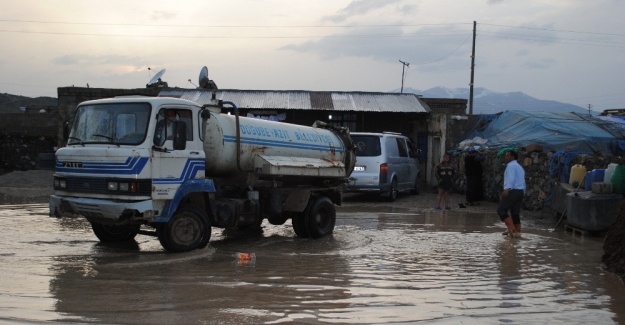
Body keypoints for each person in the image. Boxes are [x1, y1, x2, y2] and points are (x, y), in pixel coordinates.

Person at [497, 150, 526, 238]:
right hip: (520, 191)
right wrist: (523, 191)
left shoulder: (510, 166)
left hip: (512, 191)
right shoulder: (519, 167)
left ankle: (512, 228)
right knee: (515, 212)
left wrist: (507, 189)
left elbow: (510, 178)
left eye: (507, 156)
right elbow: (523, 181)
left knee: (501, 210)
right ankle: (517, 231)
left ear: (512, 157)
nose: (506, 158)